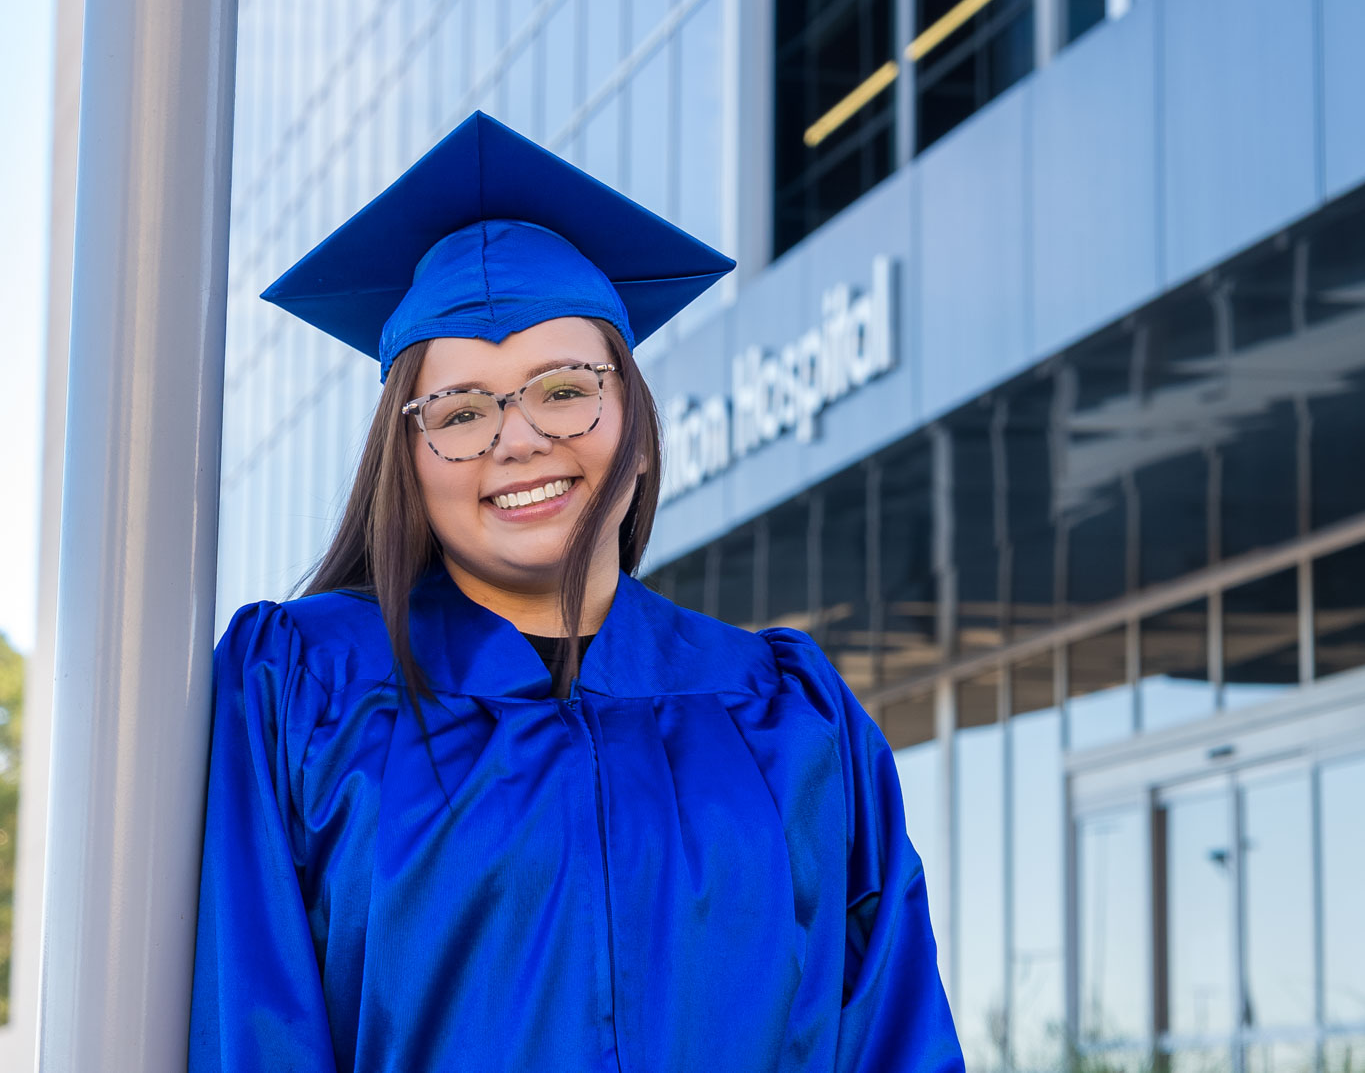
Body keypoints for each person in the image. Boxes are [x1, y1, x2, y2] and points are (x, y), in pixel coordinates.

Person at [188, 112, 963, 1072]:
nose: (518, 440)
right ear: (408, 464)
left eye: (564, 390)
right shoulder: (303, 691)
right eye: (460, 412)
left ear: (637, 428)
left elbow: (893, 1038)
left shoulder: (789, 715)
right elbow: (251, 1030)